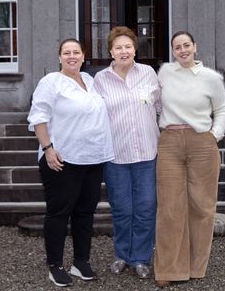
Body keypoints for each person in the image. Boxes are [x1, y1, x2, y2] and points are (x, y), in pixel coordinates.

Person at [28, 38, 114, 288]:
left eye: (76, 52)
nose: (72, 56)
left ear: (83, 56)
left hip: (92, 158)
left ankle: (81, 262)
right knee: (58, 213)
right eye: (67, 53)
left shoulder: (90, 81)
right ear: (59, 57)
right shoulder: (50, 82)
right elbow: (38, 117)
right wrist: (48, 148)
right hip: (62, 159)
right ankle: (55, 266)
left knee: (85, 212)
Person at [153, 30, 225, 288]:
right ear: (173, 52)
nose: (183, 50)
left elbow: (221, 110)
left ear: (195, 47)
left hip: (202, 142)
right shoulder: (164, 73)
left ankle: (197, 266)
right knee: (169, 207)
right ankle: (169, 268)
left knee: (202, 206)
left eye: (187, 45)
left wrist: (214, 136)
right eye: (177, 47)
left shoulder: (211, 78)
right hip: (170, 142)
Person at [92, 26, 161, 279]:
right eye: (118, 47)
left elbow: (162, 107)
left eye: (128, 46)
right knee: (121, 208)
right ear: (110, 51)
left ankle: (141, 258)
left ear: (135, 49)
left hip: (146, 153)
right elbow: (93, 117)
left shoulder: (149, 74)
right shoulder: (100, 79)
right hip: (116, 155)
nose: (124, 51)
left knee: (145, 207)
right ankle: (122, 254)